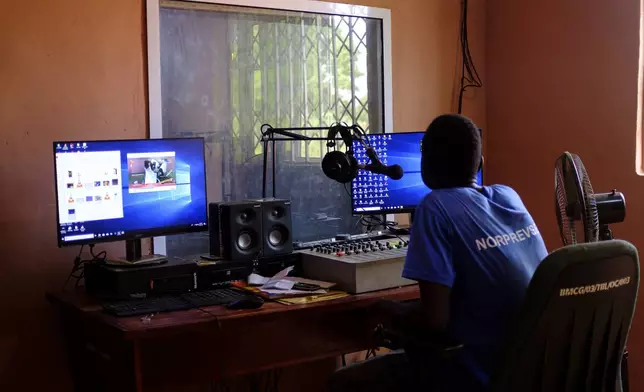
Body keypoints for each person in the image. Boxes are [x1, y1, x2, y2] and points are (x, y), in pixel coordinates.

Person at [329, 114, 548, 392]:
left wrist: (384, 310)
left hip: (476, 371)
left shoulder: (433, 207)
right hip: (529, 369)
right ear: (479, 163)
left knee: (343, 382)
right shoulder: (508, 196)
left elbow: (435, 321)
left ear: (425, 166)